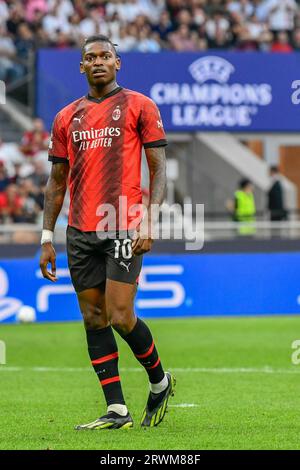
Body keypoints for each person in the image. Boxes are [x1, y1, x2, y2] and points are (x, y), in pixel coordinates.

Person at [39, 34, 175, 431]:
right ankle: (117, 410)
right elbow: (56, 181)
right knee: (93, 317)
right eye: (90, 58)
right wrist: (47, 237)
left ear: (118, 63)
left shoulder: (140, 105)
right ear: (81, 66)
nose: (98, 62)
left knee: (118, 315)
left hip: (124, 223)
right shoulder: (67, 117)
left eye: (105, 56)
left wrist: (149, 219)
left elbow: (159, 168)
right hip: (79, 230)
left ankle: (159, 381)